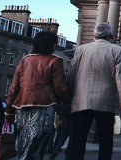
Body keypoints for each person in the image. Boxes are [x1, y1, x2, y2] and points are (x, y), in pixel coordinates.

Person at [66, 22, 121, 160]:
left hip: (81, 100)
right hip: (105, 102)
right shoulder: (117, 50)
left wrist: (68, 96)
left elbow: (71, 74)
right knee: (106, 139)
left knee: (78, 139)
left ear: (94, 35)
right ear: (110, 36)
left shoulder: (81, 49)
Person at [5, 31, 71, 160]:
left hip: (22, 108)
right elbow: (60, 87)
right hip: (44, 108)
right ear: (51, 45)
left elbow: (14, 88)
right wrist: (68, 102)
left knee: (24, 145)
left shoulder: (25, 60)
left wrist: (9, 111)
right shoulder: (55, 61)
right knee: (38, 145)